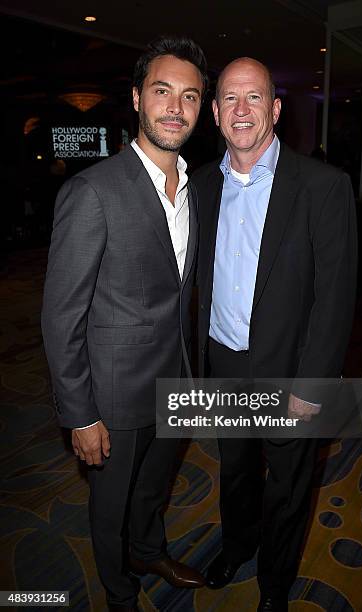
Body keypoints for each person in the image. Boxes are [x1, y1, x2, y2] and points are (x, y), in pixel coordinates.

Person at [41, 36, 208, 612]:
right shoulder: (93, 191)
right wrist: (80, 412)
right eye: (162, 91)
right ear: (137, 98)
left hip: (174, 380)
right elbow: (61, 314)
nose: (175, 108)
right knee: (108, 507)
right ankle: (119, 592)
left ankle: (148, 549)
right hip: (111, 393)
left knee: (153, 490)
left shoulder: (194, 189)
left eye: (189, 96)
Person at [193, 57, 357, 612]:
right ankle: (237, 545)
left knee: (287, 488)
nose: (242, 110)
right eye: (230, 100)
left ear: (276, 109)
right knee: (235, 471)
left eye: (255, 97)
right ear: (215, 113)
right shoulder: (199, 188)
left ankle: (274, 585)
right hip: (224, 364)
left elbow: (336, 300)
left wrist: (313, 386)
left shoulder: (323, 186)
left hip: (291, 368)